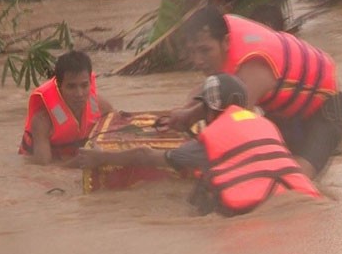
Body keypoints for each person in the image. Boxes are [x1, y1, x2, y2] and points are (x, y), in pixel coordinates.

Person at [77, 73, 321, 216]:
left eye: (203, 108)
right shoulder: (265, 125)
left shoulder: (211, 142)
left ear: (211, 108)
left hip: (257, 215)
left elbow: (145, 155)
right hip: (300, 202)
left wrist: (102, 158)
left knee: (197, 199)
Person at [166, 6, 342, 180]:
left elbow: (228, 129)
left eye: (205, 50)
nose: (198, 60)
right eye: (192, 52)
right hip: (284, 113)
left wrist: (167, 156)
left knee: (296, 180)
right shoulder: (221, 29)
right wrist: (185, 112)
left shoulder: (255, 66)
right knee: (270, 171)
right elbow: (203, 91)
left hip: (325, 110)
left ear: (226, 41)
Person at [18, 50, 114, 166]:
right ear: (59, 87)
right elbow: (43, 169)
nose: (79, 94)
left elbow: (119, 129)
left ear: (90, 82)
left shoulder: (101, 106)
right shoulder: (42, 121)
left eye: (84, 85)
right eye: (71, 87)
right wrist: (75, 164)